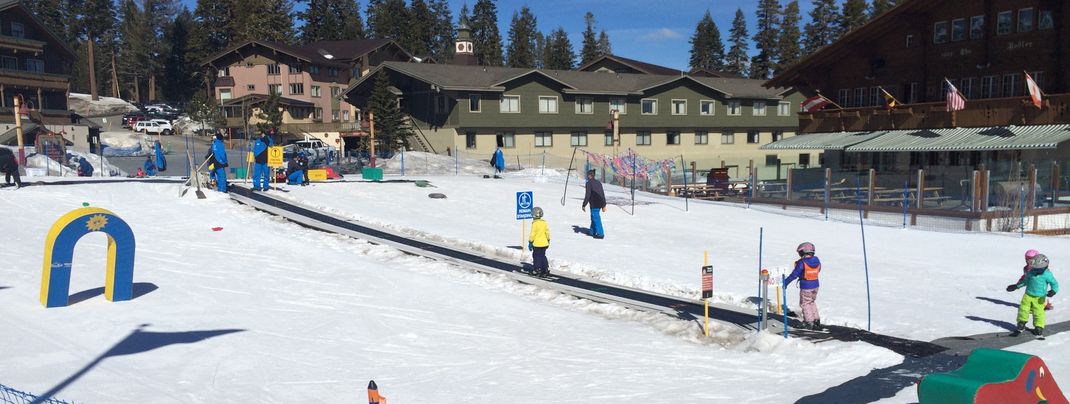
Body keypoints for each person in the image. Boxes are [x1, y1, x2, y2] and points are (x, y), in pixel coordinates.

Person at [1007, 254, 1059, 337]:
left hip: (1040, 297)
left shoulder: (1047, 274)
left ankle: (1039, 327)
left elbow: (1054, 283)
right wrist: (1016, 286)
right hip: (1028, 295)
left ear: (1045, 267)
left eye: (1039, 269)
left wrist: (1053, 291)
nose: (1037, 271)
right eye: (1036, 268)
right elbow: (1025, 281)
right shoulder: (1031, 272)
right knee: (1023, 309)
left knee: (1038, 312)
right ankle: (1021, 323)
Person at [784, 242, 822, 331]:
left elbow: (794, 274)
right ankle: (816, 320)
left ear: (803, 252)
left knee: (805, 303)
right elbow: (818, 269)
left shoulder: (802, 262)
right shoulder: (817, 260)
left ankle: (808, 322)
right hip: (815, 285)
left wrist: (786, 282)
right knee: (811, 302)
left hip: (806, 286)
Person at [581, 169, 606, 239]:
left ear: (589, 175)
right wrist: (604, 204)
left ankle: (600, 234)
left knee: (596, 218)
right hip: (600, 202)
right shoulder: (598, 183)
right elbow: (602, 193)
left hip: (594, 203)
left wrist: (584, 204)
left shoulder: (589, 183)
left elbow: (587, 195)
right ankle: (592, 231)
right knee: (593, 217)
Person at [528, 207, 550, 276]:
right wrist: (548, 239)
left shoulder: (535, 223)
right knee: (543, 256)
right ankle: (545, 269)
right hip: (544, 243)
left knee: (536, 256)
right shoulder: (544, 223)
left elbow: (533, 234)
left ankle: (537, 269)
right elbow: (547, 232)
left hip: (537, 244)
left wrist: (530, 242)